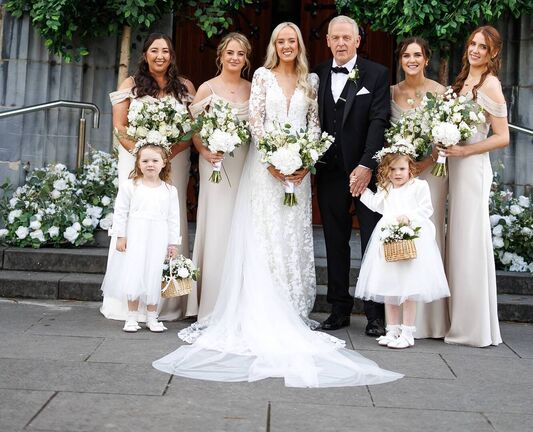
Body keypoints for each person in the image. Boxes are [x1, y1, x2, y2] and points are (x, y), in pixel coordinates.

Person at [153, 23, 402, 388]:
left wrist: (303, 160)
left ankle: (295, 307)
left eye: (292, 41)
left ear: (300, 45)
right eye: (280, 41)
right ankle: (261, 306)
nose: (286, 46)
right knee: (264, 234)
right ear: (274, 46)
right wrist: (274, 159)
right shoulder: (262, 76)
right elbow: (255, 121)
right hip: (264, 170)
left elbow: (316, 125)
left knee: (291, 236)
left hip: (300, 174)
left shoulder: (311, 80)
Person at [101, 32, 195, 321]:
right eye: (154, 50)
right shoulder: (130, 85)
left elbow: (191, 129)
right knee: (135, 217)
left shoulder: (185, 87)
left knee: (170, 218)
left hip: (173, 161)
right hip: (135, 161)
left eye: (165, 51)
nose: (160, 56)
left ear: (172, 55)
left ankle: (168, 302)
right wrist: (145, 152)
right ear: (145, 55)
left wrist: (167, 153)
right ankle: (128, 301)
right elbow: (119, 126)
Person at [314, 16, 390, 336]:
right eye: (336, 38)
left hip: (366, 173)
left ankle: (375, 314)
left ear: (358, 40)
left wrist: (366, 165)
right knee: (334, 240)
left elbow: (379, 121)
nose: (341, 43)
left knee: (373, 241)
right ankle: (339, 309)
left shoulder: (377, 73)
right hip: (329, 172)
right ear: (328, 41)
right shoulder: (316, 75)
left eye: (347, 37)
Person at [441, 25, 509, 347]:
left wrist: (466, 150)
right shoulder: (462, 80)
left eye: (483, 47)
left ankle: (472, 327)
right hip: (454, 163)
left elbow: (502, 136)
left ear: (493, 53)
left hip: (472, 168)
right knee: (456, 241)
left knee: (469, 243)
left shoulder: (491, 85)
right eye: (472, 44)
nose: (475, 50)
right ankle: (457, 317)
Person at [186, 33, 252, 321]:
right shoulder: (207, 89)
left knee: (242, 226)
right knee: (216, 226)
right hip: (215, 164)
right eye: (230, 53)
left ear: (246, 58)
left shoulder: (253, 89)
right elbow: (195, 129)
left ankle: (239, 301)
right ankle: (210, 303)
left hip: (244, 165)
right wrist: (204, 150)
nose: (235, 58)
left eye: (240, 54)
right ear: (221, 56)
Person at [355, 149, 450, 348]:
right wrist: (360, 189)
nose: (397, 173)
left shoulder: (418, 186)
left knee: (408, 289)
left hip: (411, 237)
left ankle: (407, 333)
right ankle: (392, 330)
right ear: (387, 171)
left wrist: (409, 217)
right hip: (387, 238)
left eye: (402, 168)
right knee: (389, 287)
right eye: (393, 169)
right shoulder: (386, 187)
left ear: (410, 169)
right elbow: (376, 206)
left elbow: (426, 209)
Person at [391, 37, 448, 338]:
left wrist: (423, 163)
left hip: (429, 174)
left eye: (417, 55)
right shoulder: (391, 93)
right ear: (400, 60)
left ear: (426, 59)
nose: (411, 60)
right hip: (401, 177)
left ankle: (430, 320)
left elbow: (445, 137)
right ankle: (402, 317)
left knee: (427, 234)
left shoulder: (439, 93)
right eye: (406, 55)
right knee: (400, 235)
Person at [101, 144, 180, 333]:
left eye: (155, 160)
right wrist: (121, 236)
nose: (150, 164)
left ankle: (152, 317)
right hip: (136, 234)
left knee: (153, 274)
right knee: (134, 273)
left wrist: (173, 243)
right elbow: (120, 212)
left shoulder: (170, 191)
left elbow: (173, 218)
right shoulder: (130, 186)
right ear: (138, 163)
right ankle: (131, 317)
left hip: (158, 236)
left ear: (163, 163)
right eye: (145, 161)